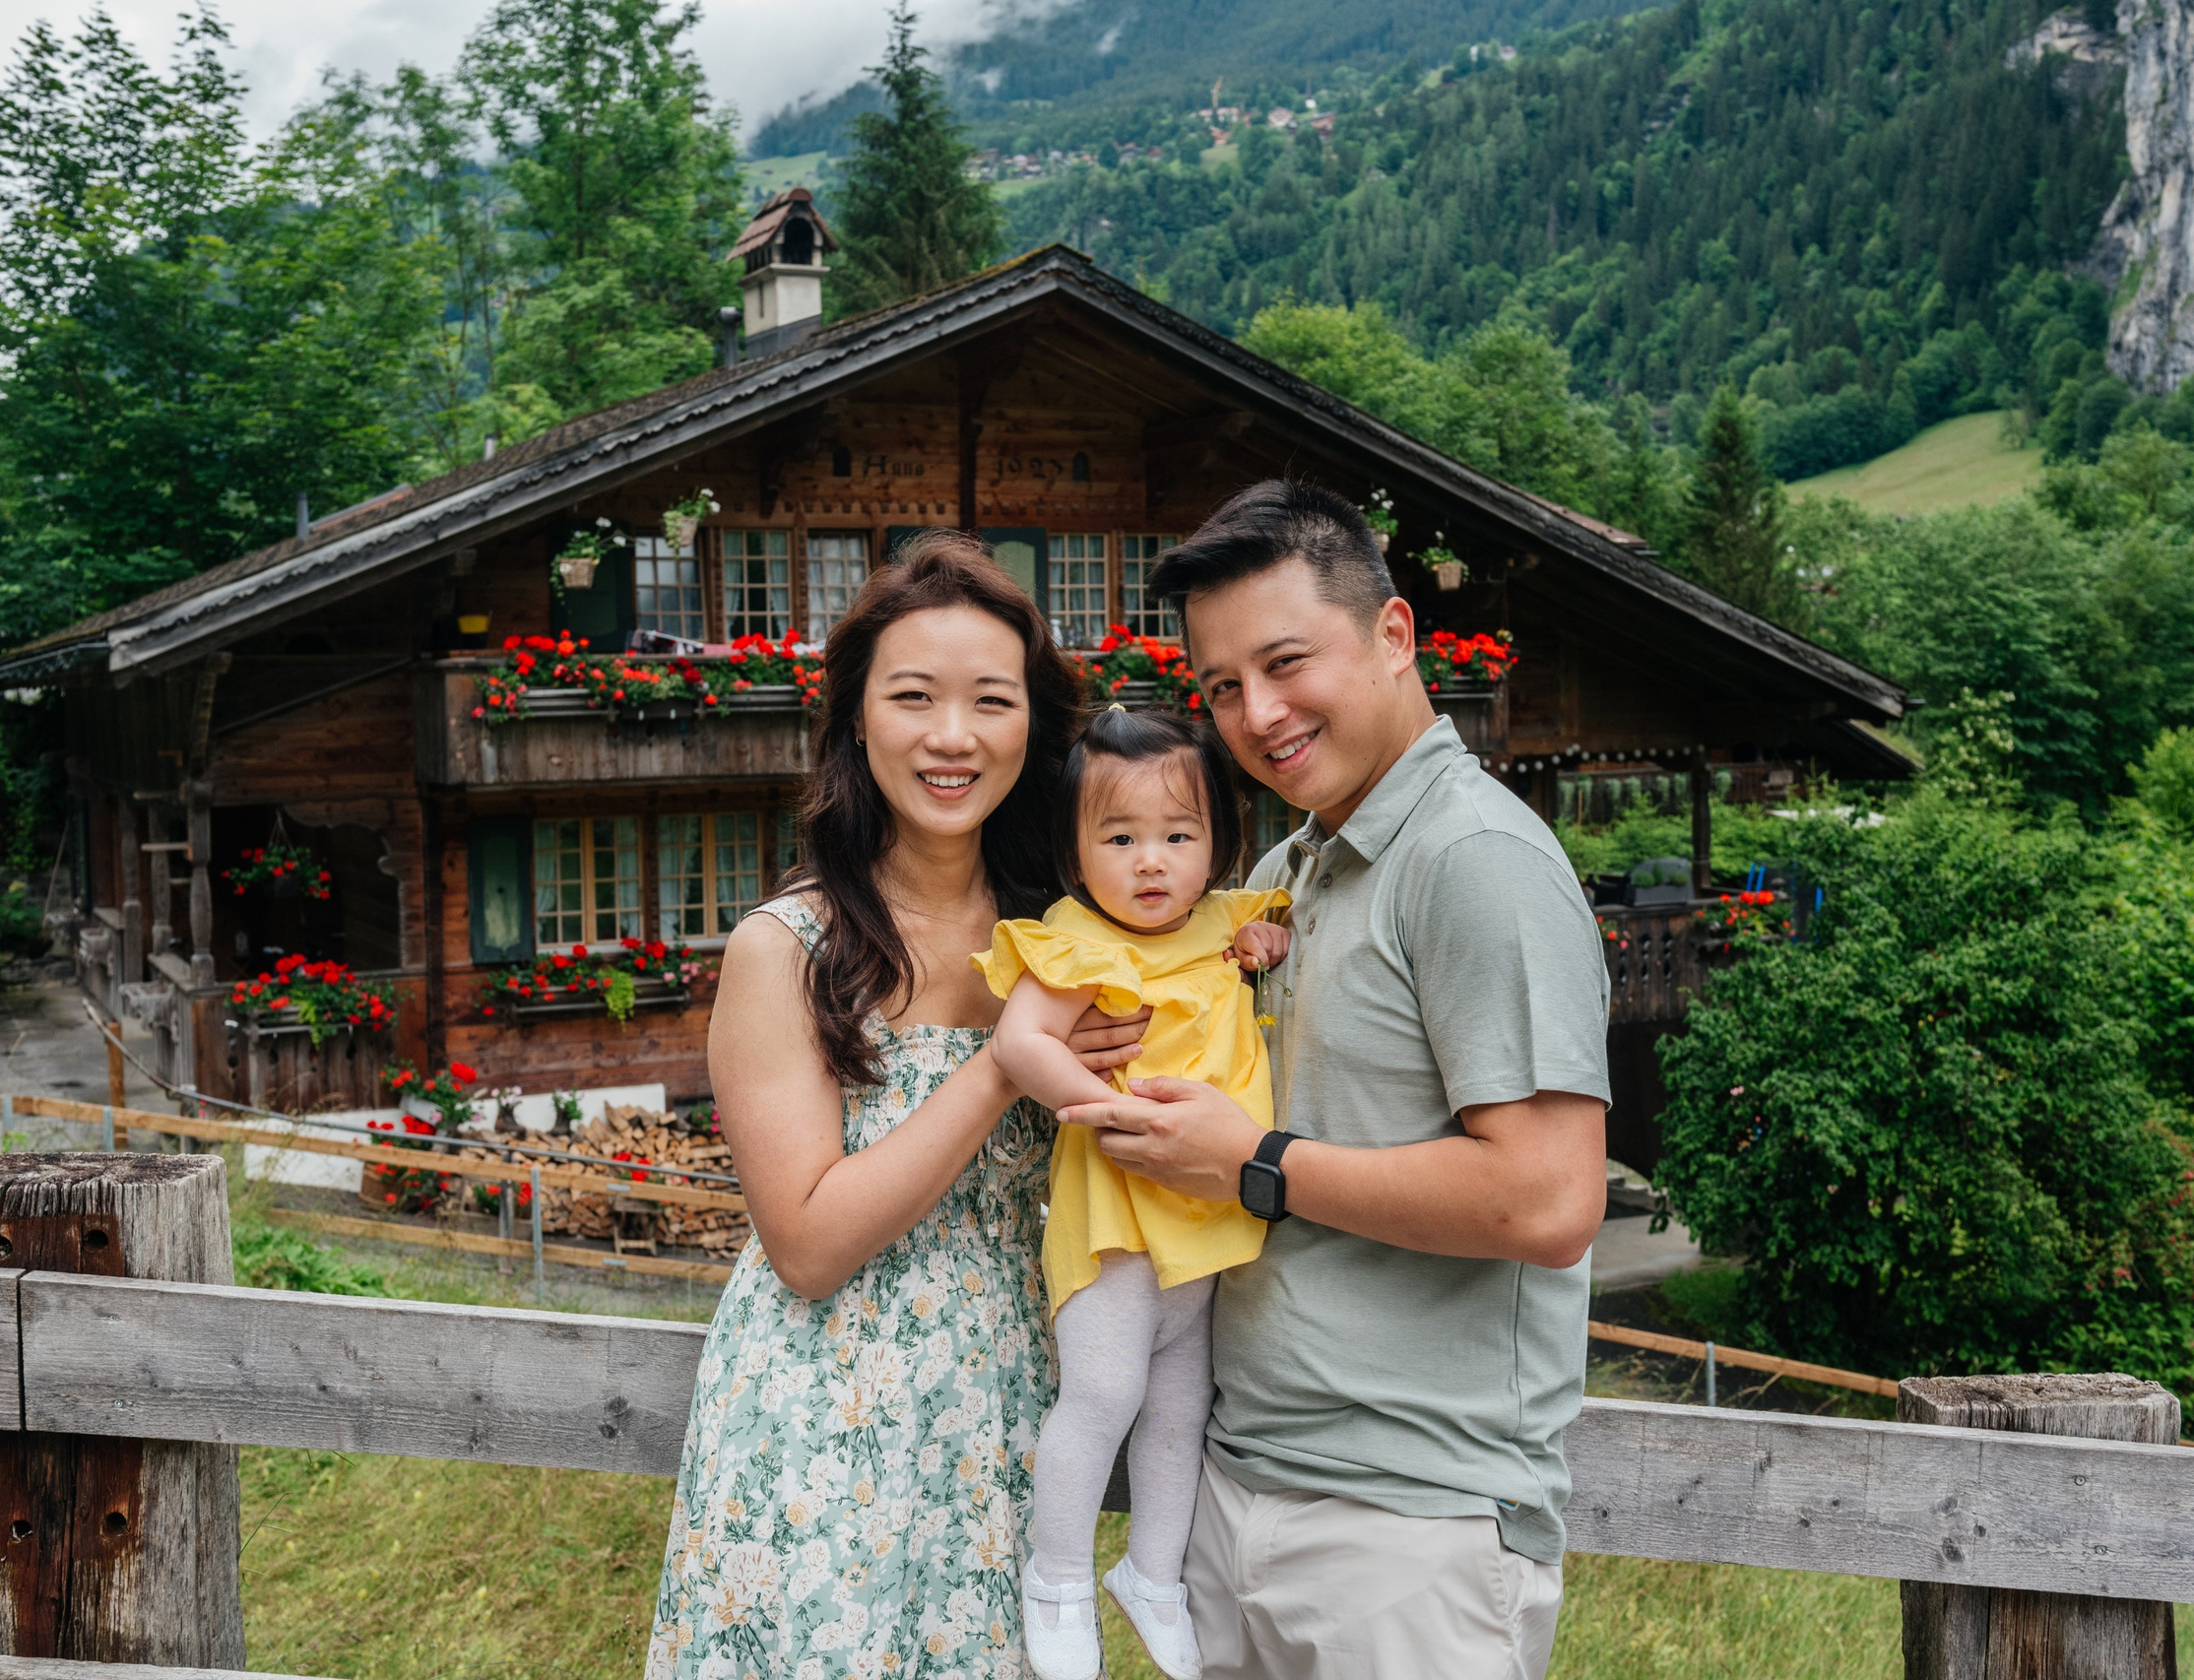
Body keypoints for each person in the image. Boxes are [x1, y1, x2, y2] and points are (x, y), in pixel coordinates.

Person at [1059, 481, 1612, 1679]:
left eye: (1284, 661)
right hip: (1235, 1483)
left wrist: (1251, 1166)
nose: (1256, 713)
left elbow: (1550, 1200)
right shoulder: (1281, 869)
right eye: (1218, 686)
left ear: (1395, 634)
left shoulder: (1474, 860)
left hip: (1407, 1530)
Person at [646, 534, 1119, 1680]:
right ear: (858, 716)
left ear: (1031, 726)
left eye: (989, 701)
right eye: (913, 696)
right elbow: (805, 1241)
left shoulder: (1078, 937)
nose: (951, 736)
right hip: (822, 1428)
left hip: (1006, 1418)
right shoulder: (787, 949)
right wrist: (1005, 1064)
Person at [974, 705, 1291, 1680]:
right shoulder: (1077, 940)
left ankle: (1152, 1573)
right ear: (1076, 853)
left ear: (1216, 845)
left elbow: (1265, 932)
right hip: (1117, 1214)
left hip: (1205, 1218)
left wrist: (1264, 950)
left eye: (1177, 835)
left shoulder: (1222, 921)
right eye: (1119, 837)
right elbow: (1018, 1042)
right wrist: (1103, 1110)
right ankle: (1058, 1578)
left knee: (1180, 1403)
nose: (1150, 861)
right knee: (1103, 1390)